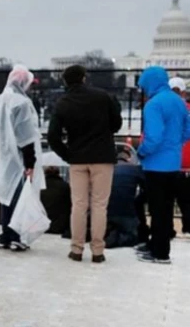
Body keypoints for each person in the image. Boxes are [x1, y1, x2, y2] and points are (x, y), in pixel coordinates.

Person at [47, 64, 122, 263]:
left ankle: (77, 248)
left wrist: (67, 154)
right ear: (84, 78)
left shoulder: (63, 102)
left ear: (65, 81)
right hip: (103, 157)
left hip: (77, 158)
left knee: (79, 205)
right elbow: (116, 124)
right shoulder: (103, 96)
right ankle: (98, 251)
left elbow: (53, 136)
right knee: (99, 205)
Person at [0, 64, 46, 251]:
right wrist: (30, 162)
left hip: (2, 156)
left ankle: (5, 234)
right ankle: (16, 235)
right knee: (19, 198)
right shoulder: (22, 104)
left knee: (6, 197)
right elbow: (26, 136)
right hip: (18, 158)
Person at [135, 66, 190, 264]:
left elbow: (153, 137)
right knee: (166, 209)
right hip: (173, 163)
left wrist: (141, 152)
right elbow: (187, 130)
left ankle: (159, 251)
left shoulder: (153, 104)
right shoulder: (179, 102)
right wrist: (174, 145)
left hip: (155, 164)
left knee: (157, 209)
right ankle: (159, 246)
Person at [104, 150, 143, 248]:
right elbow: (147, 188)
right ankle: (119, 237)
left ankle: (112, 234)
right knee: (133, 237)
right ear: (128, 159)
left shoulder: (106, 169)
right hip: (127, 213)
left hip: (105, 212)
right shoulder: (135, 169)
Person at [169, 77, 190, 238]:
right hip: (186, 164)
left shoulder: (161, 108)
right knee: (187, 201)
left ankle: (167, 230)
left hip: (167, 164)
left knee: (164, 201)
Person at [40, 166, 71, 235]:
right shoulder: (65, 186)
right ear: (58, 173)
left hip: (41, 225)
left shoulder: (39, 186)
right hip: (61, 226)